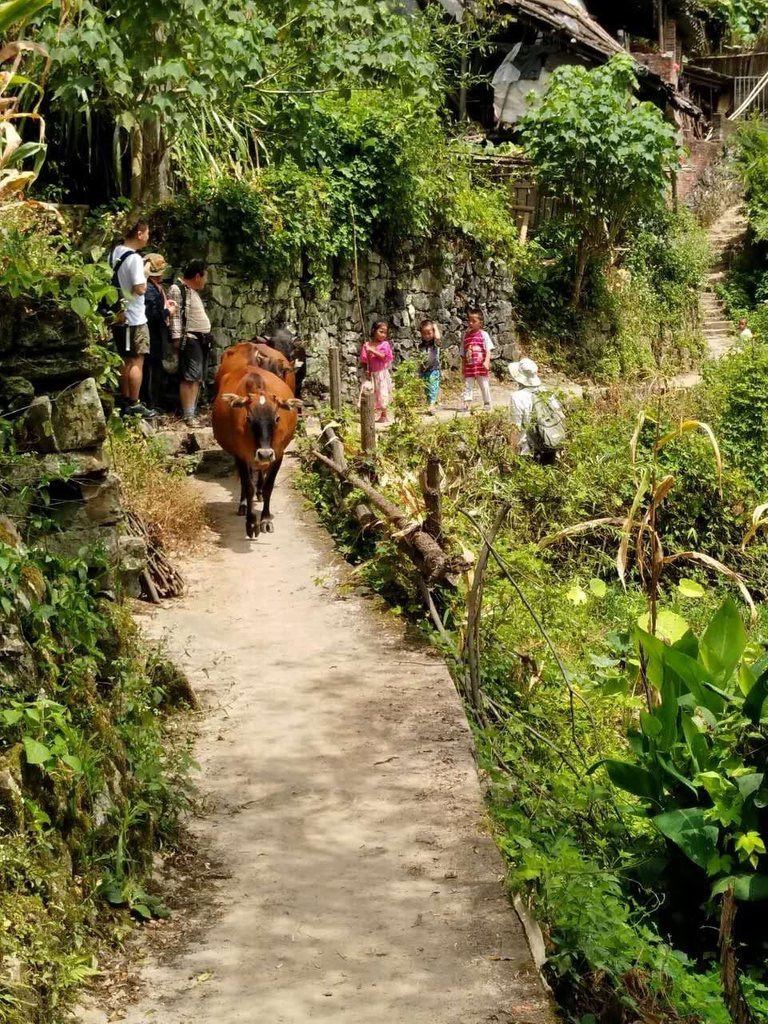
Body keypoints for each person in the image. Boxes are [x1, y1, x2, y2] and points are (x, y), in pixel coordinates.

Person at [109, 218, 153, 418]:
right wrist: (145, 273)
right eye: (147, 233)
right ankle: (134, 402)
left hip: (119, 316)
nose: (148, 237)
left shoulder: (114, 253)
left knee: (124, 359)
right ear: (139, 233)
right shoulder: (135, 258)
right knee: (137, 360)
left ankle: (124, 399)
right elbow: (139, 288)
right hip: (134, 318)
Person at [169, 259, 212, 427]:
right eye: (205, 277)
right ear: (197, 276)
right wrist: (177, 338)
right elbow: (176, 316)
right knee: (190, 377)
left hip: (199, 340)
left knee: (196, 377)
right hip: (190, 339)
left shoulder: (191, 291)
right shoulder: (177, 289)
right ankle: (188, 415)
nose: (206, 280)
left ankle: (191, 412)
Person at [508, 358, 565, 464]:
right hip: (550, 446)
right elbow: (561, 417)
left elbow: (515, 428)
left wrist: (511, 454)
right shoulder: (546, 392)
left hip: (528, 451)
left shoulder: (517, 397)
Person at [141, 253, 177, 412]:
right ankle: (149, 403)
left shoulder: (154, 287)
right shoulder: (149, 289)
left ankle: (154, 402)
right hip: (152, 336)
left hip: (157, 337)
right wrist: (168, 312)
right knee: (150, 371)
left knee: (155, 370)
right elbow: (151, 315)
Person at [360, 321, 395, 424]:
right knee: (371, 393)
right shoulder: (367, 345)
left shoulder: (385, 344)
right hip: (371, 374)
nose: (383, 335)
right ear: (373, 331)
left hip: (381, 374)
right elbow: (363, 360)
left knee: (383, 393)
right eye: (381, 332)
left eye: (385, 333)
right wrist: (365, 369)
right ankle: (371, 414)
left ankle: (384, 415)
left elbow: (384, 357)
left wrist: (372, 351)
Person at [462, 308, 494, 412]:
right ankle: (467, 404)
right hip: (469, 367)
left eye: (474, 321)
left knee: (484, 385)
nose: (470, 323)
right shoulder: (466, 337)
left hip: (481, 366)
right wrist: (463, 366)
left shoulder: (484, 334)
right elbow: (463, 353)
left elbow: (488, 349)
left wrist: (486, 361)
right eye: (469, 321)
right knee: (468, 386)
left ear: (480, 323)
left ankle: (487, 402)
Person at [418, 319, 441, 414]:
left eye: (429, 333)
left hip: (434, 369)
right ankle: (430, 404)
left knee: (433, 387)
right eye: (424, 333)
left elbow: (438, 337)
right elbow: (420, 359)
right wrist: (419, 371)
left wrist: (434, 326)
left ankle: (432, 405)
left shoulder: (435, 344)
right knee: (427, 389)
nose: (427, 336)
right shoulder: (421, 346)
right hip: (424, 371)